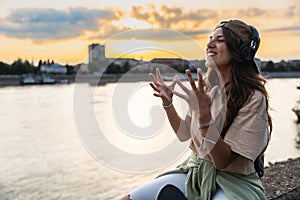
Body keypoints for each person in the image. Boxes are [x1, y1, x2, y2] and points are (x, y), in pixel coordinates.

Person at [121, 19, 272, 200]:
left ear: (240, 51)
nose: (209, 44)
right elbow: (184, 133)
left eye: (220, 40)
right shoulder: (205, 89)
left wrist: (205, 117)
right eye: (210, 38)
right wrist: (168, 104)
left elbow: (222, 161)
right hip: (195, 171)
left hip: (233, 180)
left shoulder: (253, 98)